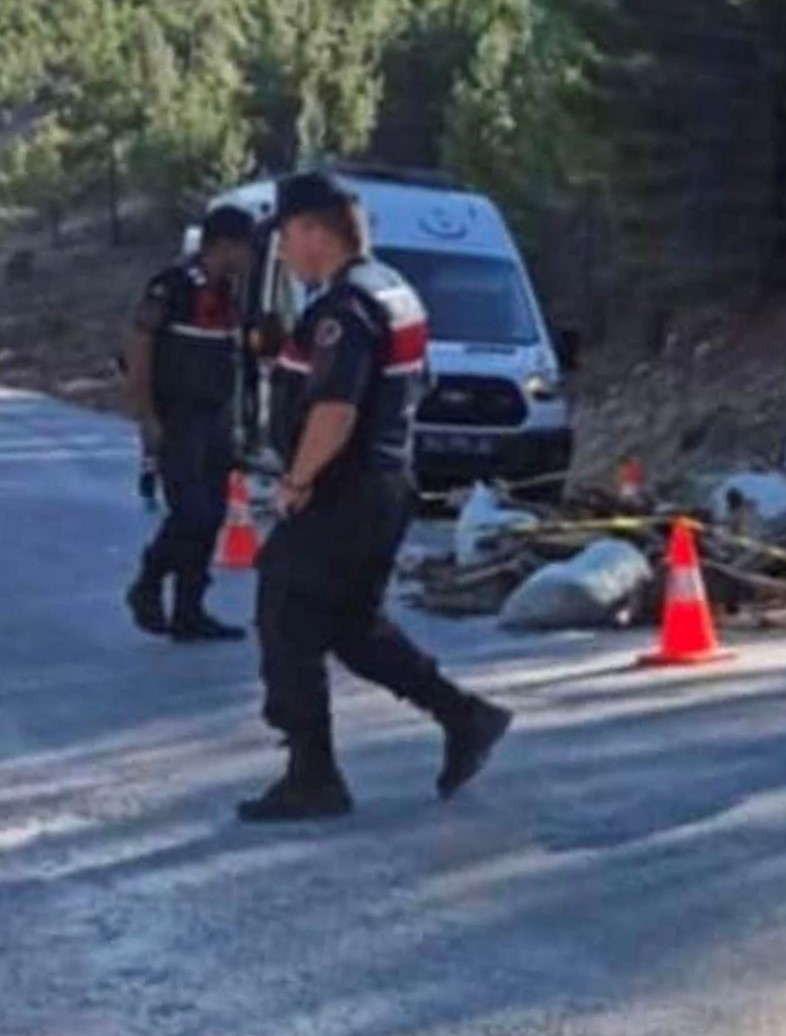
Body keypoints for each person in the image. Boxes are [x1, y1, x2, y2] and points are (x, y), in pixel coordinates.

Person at [238, 172, 512, 824]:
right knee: (351, 626)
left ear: (312, 231)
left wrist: (297, 481)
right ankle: (464, 716)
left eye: (288, 237)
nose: (288, 253)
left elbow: (335, 407)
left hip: (344, 489)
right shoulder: (393, 288)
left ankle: (313, 774)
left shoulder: (343, 309)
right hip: (384, 486)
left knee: (285, 613)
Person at [123, 203, 259, 642]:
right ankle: (147, 583)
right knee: (191, 511)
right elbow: (139, 348)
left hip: (215, 417)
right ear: (224, 244)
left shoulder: (230, 295)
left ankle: (189, 609)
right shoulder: (173, 286)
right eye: (246, 247)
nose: (251, 257)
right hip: (176, 416)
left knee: (213, 513)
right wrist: (146, 415)